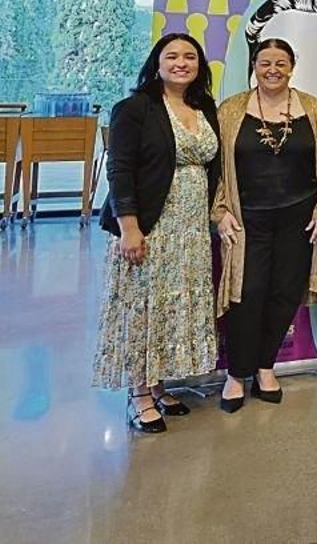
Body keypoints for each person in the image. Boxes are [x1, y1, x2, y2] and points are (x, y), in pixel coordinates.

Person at [94, 33, 222, 433]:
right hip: (152, 225)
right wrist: (129, 227)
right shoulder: (135, 108)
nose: (181, 63)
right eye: (172, 56)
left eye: (190, 56)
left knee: (171, 307)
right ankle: (139, 394)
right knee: (143, 307)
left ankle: (159, 383)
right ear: (157, 62)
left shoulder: (204, 107)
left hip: (191, 231)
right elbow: (120, 170)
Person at [212, 38, 317, 413]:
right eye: (265, 62)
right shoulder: (231, 110)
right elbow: (216, 168)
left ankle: (266, 366)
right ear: (254, 64)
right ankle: (236, 374)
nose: (273, 69)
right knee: (246, 293)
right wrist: (220, 211)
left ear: (291, 66)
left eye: (280, 63)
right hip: (246, 219)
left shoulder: (312, 108)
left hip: (299, 220)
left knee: (285, 293)